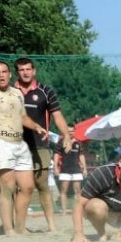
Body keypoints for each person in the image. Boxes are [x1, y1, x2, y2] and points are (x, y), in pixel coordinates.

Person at [0, 60, 49, 235]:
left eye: (4, 72)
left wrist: (36, 126)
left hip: (19, 144)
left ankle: (20, 228)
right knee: (7, 186)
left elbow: (23, 117)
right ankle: (9, 229)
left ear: (9, 74)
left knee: (28, 187)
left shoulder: (17, 93)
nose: (1, 75)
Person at [14, 58, 73, 231]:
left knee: (42, 185)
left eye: (28, 69)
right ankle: (18, 227)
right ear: (17, 72)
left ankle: (52, 227)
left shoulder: (45, 91)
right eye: (21, 69)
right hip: (14, 145)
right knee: (17, 187)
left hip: (39, 145)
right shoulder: (10, 91)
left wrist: (66, 136)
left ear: (34, 71)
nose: (25, 72)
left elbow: (57, 116)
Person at [53, 134, 87, 215]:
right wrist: (55, 167)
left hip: (76, 169)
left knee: (78, 191)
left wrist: (85, 168)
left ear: (74, 131)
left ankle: (78, 210)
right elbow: (56, 154)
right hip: (65, 169)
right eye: (68, 131)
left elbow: (81, 155)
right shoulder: (61, 141)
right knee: (63, 190)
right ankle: (64, 210)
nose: (70, 133)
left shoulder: (78, 142)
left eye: (72, 131)